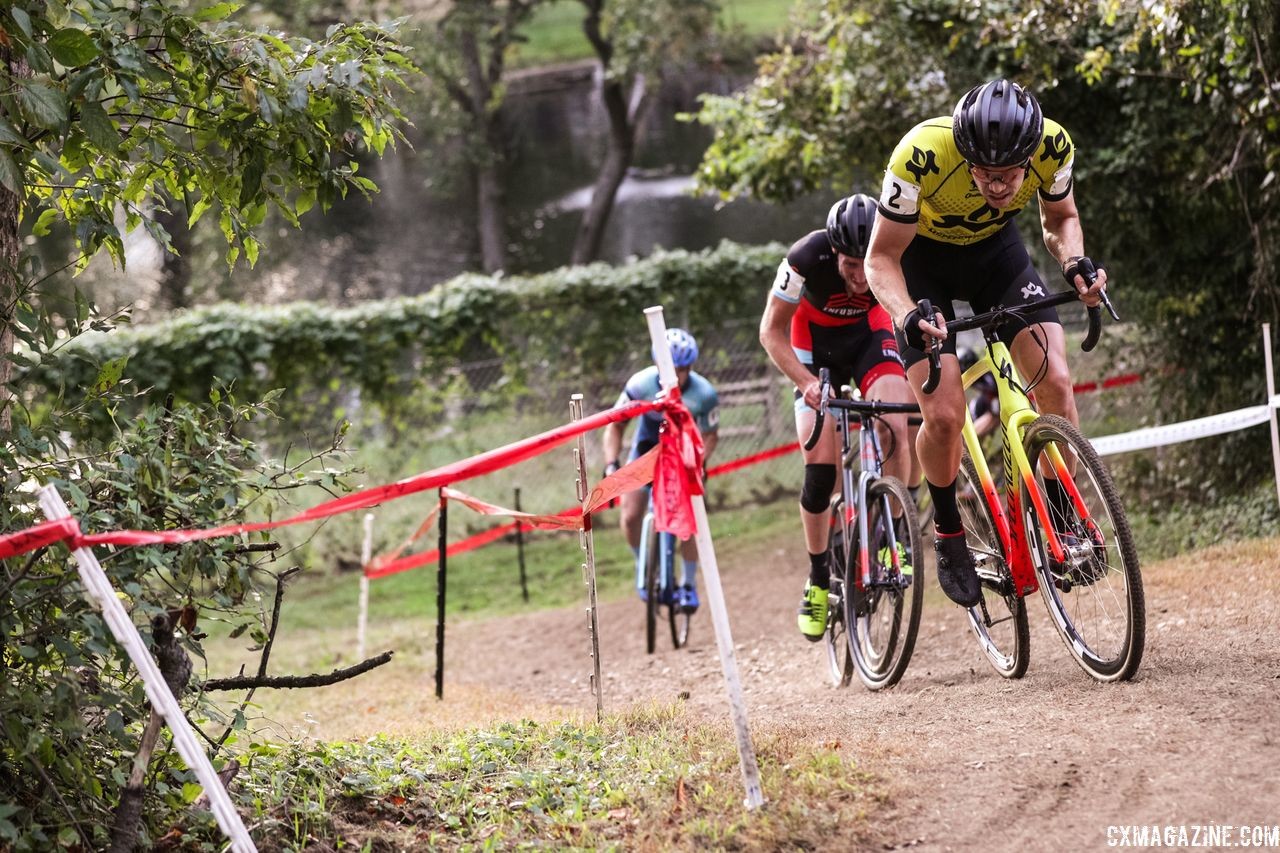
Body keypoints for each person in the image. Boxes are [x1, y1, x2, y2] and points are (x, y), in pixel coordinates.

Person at [865, 78, 1107, 608]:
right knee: (946, 415)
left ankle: (1063, 512)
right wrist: (905, 315)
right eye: (984, 174)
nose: (998, 187)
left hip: (996, 255)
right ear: (964, 154)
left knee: (1057, 382)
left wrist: (1074, 264)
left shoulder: (1053, 144)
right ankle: (949, 530)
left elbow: (1061, 219)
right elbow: (879, 259)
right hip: (920, 264)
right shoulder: (920, 154)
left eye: (1009, 176)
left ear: (1029, 154)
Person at [759, 193, 920, 642]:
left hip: (869, 337)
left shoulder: (895, 248)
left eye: (864, 264)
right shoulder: (805, 257)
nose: (858, 277)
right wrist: (807, 383)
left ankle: (892, 537)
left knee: (895, 423)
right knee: (821, 470)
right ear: (834, 253)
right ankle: (816, 576)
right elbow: (770, 332)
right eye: (850, 265)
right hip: (814, 349)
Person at [602, 328, 720, 613]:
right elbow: (615, 425)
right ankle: (644, 565)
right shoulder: (639, 385)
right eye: (673, 368)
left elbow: (711, 434)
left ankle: (689, 584)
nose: (678, 375)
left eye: (684, 369)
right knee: (630, 515)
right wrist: (611, 463)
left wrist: (699, 462)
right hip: (645, 449)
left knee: (687, 522)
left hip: (681, 453)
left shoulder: (704, 394)